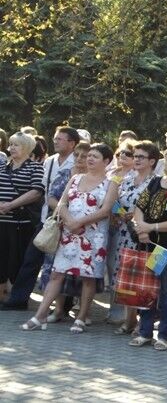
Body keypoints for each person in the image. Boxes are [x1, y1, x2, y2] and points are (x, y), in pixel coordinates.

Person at [20, 143, 118, 333]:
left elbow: (105, 210)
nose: (89, 159)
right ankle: (40, 315)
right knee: (57, 274)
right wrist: (70, 221)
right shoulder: (75, 178)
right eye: (89, 155)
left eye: (95, 156)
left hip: (93, 238)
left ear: (106, 161)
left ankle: (81, 317)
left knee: (88, 278)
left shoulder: (111, 183)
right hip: (68, 233)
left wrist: (79, 222)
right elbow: (61, 203)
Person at [0, 126, 79, 310]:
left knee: (63, 263)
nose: (55, 141)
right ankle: (18, 300)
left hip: (69, 220)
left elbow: (37, 191)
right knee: (31, 260)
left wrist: (11, 204)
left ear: (72, 143)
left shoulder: (77, 162)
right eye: (55, 138)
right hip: (46, 220)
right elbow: (46, 190)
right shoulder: (50, 161)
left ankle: (64, 306)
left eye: (60, 139)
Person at [129, 147, 167, 350]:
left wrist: (152, 227)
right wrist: (142, 229)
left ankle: (164, 335)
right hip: (150, 244)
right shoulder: (155, 182)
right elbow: (140, 207)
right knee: (149, 289)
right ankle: (145, 332)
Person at [108, 141, 160, 331]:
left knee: (144, 278)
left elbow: (157, 209)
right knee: (123, 275)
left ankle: (144, 322)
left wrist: (137, 216)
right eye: (135, 156)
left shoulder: (157, 182)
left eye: (141, 157)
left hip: (144, 235)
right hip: (123, 232)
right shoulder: (127, 179)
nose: (136, 159)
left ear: (152, 161)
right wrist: (119, 214)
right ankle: (129, 319)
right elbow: (115, 201)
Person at [38, 141, 91, 321]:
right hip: (62, 227)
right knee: (56, 269)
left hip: (86, 230)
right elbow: (52, 198)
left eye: (85, 156)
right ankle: (58, 309)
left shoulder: (97, 179)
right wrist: (67, 217)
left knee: (83, 272)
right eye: (77, 155)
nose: (80, 159)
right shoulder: (65, 174)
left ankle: (83, 312)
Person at [0, 132, 44, 303]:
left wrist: (10, 205)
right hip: (2, 221)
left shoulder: (35, 167)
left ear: (27, 147)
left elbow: (36, 192)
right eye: (11, 144)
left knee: (17, 259)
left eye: (16, 145)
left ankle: (16, 298)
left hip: (22, 223)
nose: (11, 148)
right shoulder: (2, 167)